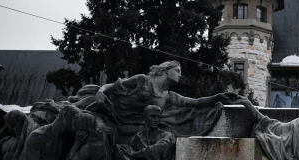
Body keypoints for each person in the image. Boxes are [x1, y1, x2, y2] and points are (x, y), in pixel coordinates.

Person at [74, 60, 237, 140]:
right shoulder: (142, 80)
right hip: (108, 105)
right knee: (72, 109)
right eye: (177, 71)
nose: (180, 74)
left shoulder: (168, 96)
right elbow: (112, 86)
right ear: (166, 70)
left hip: (125, 123)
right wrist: (101, 92)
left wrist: (217, 97)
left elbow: (194, 102)